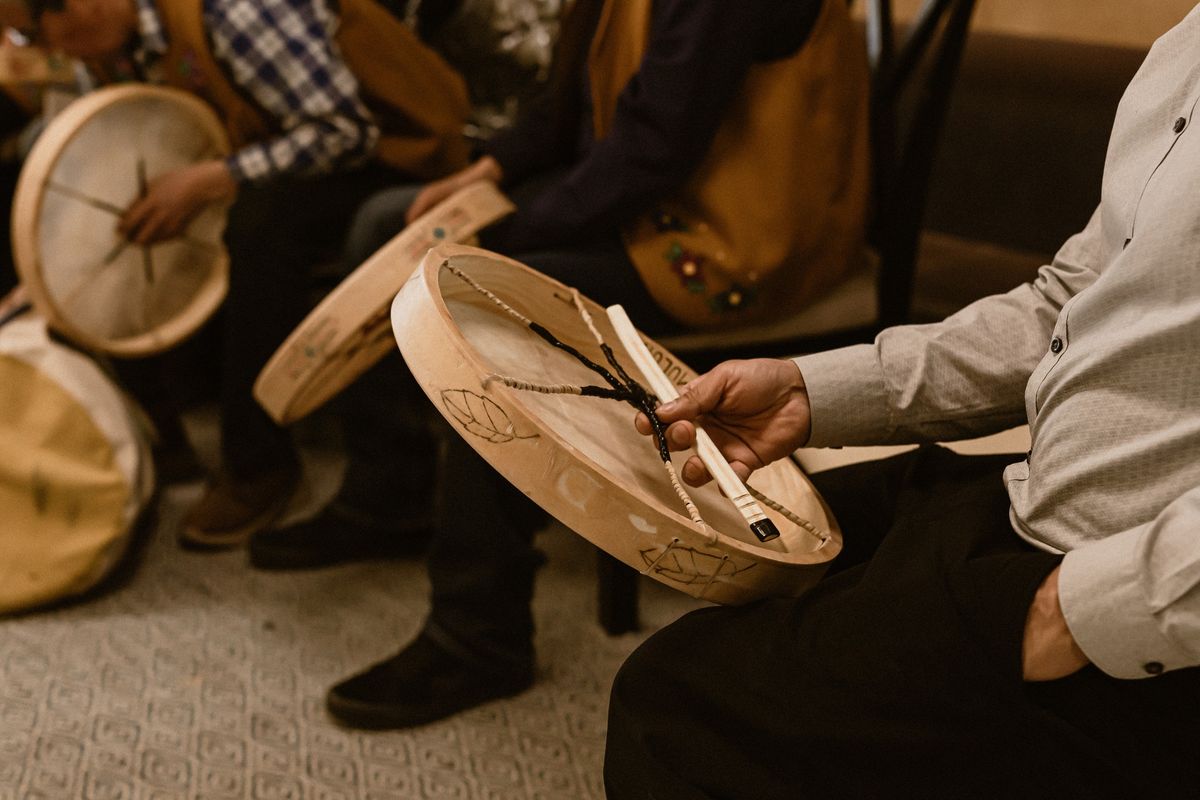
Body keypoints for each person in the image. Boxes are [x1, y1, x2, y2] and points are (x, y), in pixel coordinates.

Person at [603, 7, 1200, 796]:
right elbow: (1073, 295)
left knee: (672, 702)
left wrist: (1082, 611)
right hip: (1047, 494)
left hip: (1127, 582)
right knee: (802, 545)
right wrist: (814, 393)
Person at [252, 0, 872, 730]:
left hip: (722, 240)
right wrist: (483, 176)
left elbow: (654, 145)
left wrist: (501, 241)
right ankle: (389, 493)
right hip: (654, 200)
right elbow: (567, 107)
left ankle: (479, 632)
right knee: (386, 224)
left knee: (488, 313)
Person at [27, 0, 470, 546]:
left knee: (261, 222)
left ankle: (259, 465)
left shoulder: (231, 11)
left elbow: (344, 132)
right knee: (124, 206)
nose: (48, 54)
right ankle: (156, 426)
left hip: (400, 154)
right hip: (283, 156)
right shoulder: (116, 50)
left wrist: (208, 180)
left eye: (37, 33)